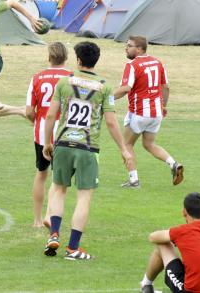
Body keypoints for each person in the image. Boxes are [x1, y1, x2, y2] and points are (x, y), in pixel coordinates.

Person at [41, 41, 132, 261]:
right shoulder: (104, 87)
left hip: (62, 144)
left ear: (78, 60)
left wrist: (47, 142)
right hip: (88, 148)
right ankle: (72, 248)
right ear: (96, 60)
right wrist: (124, 149)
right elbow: (111, 122)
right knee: (84, 197)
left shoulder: (64, 82)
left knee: (59, 189)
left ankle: (54, 233)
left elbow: (51, 115)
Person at [113, 35, 183, 188]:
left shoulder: (132, 65)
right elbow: (166, 87)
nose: (126, 47)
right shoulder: (157, 62)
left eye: (129, 45)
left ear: (139, 49)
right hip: (156, 113)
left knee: (126, 145)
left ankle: (134, 180)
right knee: (149, 144)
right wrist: (164, 106)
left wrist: (108, 98)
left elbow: (125, 89)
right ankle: (173, 163)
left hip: (139, 113)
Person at [138, 192, 200, 293]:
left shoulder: (181, 232)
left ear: (184, 212)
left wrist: (173, 239)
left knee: (162, 245)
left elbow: (152, 237)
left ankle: (146, 285)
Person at [25, 42, 71, 226]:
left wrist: (35, 122)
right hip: (64, 133)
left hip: (42, 133)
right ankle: (50, 214)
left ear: (49, 57)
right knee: (59, 178)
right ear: (66, 57)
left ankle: (36, 219)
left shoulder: (37, 78)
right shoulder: (71, 78)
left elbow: (29, 110)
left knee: (41, 173)